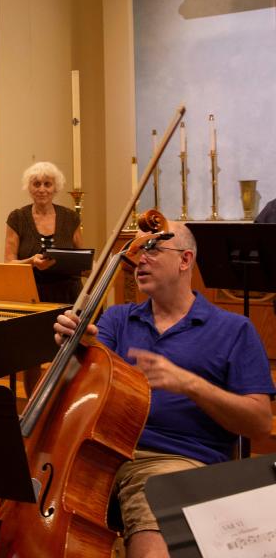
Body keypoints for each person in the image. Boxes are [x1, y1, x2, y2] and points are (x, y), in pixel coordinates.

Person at [54, 222, 274, 558]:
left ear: (185, 260)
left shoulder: (234, 330)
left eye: (153, 249)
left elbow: (259, 423)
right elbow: (86, 389)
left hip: (174, 461)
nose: (140, 259)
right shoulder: (117, 319)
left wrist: (190, 384)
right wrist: (78, 350)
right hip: (98, 452)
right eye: (140, 250)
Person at [5, 161, 84, 394]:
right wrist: (31, 261)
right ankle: (31, 406)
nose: (42, 189)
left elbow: (82, 257)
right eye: (36, 184)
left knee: (71, 353)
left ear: (55, 187)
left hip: (68, 294)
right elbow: (9, 261)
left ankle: (67, 403)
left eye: (47, 184)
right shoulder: (17, 217)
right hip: (32, 296)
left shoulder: (70, 217)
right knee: (31, 356)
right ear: (29, 188)